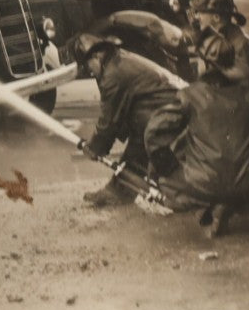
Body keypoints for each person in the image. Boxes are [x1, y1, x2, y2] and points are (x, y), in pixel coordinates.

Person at [144, 40, 249, 237]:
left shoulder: (190, 95)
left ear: (204, 64)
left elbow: (153, 131)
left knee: (166, 176)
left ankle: (206, 204)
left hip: (204, 182)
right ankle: (229, 203)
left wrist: (167, 165)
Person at [70, 33, 180, 207]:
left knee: (143, 133)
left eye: (87, 64)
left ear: (97, 56)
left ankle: (120, 192)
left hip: (170, 109)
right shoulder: (118, 59)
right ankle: (118, 191)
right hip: (172, 105)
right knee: (139, 133)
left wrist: (95, 147)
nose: (88, 71)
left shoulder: (112, 75)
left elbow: (108, 122)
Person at [188, 0, 249, 103]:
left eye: (201, 12)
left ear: (216, 17)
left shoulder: (242, 45)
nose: (197, 17)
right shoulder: (218, 40)